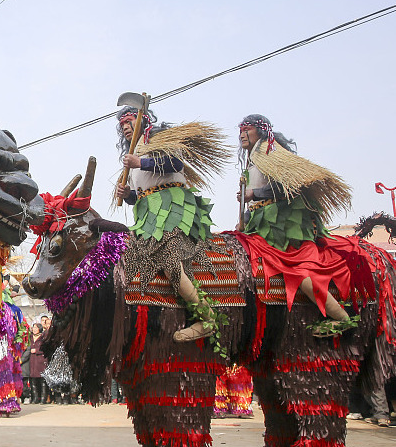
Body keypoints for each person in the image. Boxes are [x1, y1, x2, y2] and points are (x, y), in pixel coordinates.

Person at [114, 106, 228, 342]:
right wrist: (127, 195)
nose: (125, 126)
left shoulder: (159, 137)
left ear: (143, 119)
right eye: (122, 123)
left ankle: (207, 318)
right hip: (147, 213)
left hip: (171, 205)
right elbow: (139, 195)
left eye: (129, 120)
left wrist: (140, 162)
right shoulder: (134, 154)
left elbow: (175, 164)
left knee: (168, 259)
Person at [237, 114, 353, 336]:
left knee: (298, 271)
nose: (242, 133)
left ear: (260, 131)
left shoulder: (270, 151)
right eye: (240, 129)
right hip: (259, 222)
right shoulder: (254, 158)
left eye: (247, 128)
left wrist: (255, 193)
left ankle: (342, 318)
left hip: (280, 224)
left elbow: (287, 186)